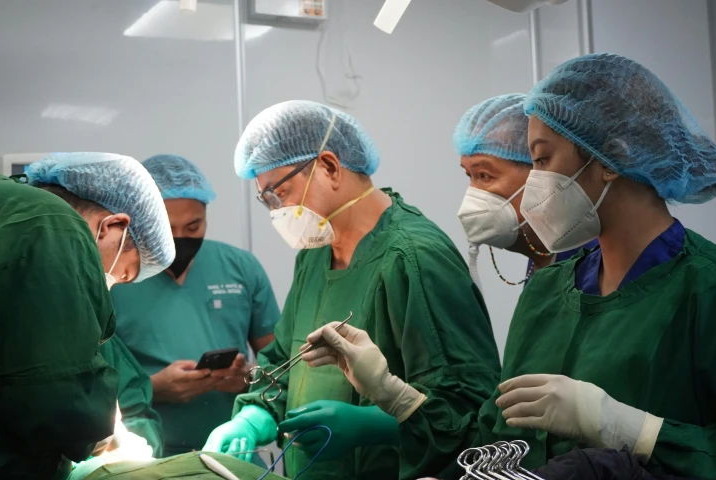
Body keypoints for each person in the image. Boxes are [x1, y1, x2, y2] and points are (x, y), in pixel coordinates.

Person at [301, 53, 716, 479]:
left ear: (612, 156)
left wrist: (633, 430)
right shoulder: (549, 291)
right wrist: (392, 392)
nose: (535, 181)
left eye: (540, 160)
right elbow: (494, 441)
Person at [202, 100, 501, 480]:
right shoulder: (316, 253)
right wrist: (254, 414)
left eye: (281, 191)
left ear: (329, 166)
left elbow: (468, 406)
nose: (277, 210)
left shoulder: (414, 257)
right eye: (267, 200)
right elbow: (284, 356)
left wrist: (373, 424)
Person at [0, 152, 175, 479]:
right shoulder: (54, 223)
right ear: (112, 227)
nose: (108, 285)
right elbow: (56, 394)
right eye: (122, 275)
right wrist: (104, 434)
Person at [111, 154, 280, 457]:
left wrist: (247, 378)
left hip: (232, 455)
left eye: (193, 227)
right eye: (166, 227)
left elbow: (281, 365)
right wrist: (153, 388)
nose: (180, 239)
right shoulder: (114, 277)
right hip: (144, 459)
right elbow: (83, 387)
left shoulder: (240, 267)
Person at [454, 93, 597, 288]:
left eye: (484, 175)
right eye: (469, 176)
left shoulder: (589, 262)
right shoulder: (541, 258)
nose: (474, 193)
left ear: (538, 170)